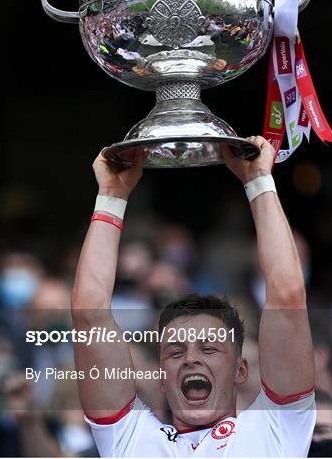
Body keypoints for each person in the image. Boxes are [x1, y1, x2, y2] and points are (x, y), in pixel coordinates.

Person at [72, 135, 316, 457]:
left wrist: (258, 180)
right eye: (175, 352)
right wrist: (112, 195)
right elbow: (89, 314)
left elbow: (287, 296)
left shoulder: (277, 428)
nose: (191, 359)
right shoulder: (128, 438)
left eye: (209, 348)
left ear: (241, 370)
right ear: (161, 377)